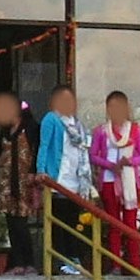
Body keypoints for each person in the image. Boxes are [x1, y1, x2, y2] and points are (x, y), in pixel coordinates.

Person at [36, 84, 92, 264]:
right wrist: (41, 170)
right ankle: (59, 260)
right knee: (58, 222)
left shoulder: (76, 123)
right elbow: (44, 145)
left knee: (72, 222)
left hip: (76, 181)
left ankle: (72, 257)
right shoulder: (51, 119)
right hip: (58, 179)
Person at [0, 88, 35, 271]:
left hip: (23, 183)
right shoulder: (5, 130)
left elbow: (36, 151)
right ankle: (18, 263)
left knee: (21, 224)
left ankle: (29, 263)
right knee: (11, 224)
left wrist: (33, 173)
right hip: (7, 183)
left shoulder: (30, 127)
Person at [89, 90, 140, 242]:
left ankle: (134, 263)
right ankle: (115, 264)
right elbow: (92, 155)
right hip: (108, 181)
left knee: (130, 224)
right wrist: (110, 166)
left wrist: (129, 161)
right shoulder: (101, 131)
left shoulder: (134, 130)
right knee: (114, 224)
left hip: (129, 181)